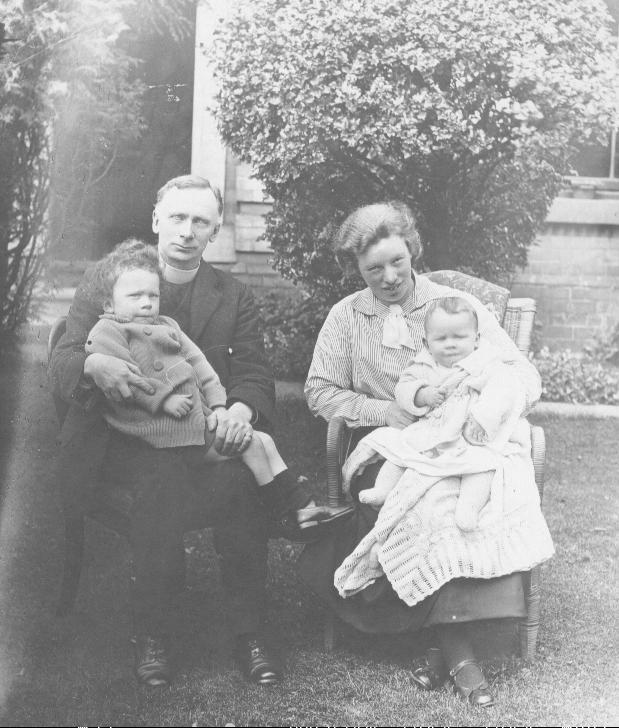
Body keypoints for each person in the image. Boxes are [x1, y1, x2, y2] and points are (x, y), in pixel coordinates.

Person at [48, 174, 345, 689]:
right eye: (178, 218)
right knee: (161, 482)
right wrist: (95, 364)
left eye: (200, 221)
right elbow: (62, 360)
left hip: (201, 430)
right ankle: (154, 631)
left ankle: (249, 632)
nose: (187, 231)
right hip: (124, 440)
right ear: (157, 218)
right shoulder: (110, 279)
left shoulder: (231, 296)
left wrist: (239, 413)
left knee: (240, 485)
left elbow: (254, 375)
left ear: (215, 230)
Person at [300, 201, 554, 709]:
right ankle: (458, 649)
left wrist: (489, 410)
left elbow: (524, 376)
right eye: (374, 269)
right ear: (356, 270)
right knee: (431, 496)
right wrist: (382, 412)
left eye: (398, 261)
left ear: (413, 251)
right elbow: (318, 390)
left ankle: (445, 644)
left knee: (471, 493)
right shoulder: (346, 317)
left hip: (467, 438)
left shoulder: (457, 305)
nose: (390, 277)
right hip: (390, 449)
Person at [85, 237, 350, 534]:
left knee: (263, 439)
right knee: (249, 444)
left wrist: (221, 408)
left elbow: (202, 367)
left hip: (194, 420)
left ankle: (305, 506)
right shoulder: (108, 331)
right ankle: (279, 514)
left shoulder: (168, 326)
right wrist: (163, 400)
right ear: (109, 302)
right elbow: (126, 381)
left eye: (153, 295)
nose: (147, 303)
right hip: (161, 432)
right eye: (135, 296)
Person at [347, 296, 529, 533]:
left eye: (459, 337)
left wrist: (482, 417)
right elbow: (402, 388)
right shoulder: (423, 364)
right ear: (426, 342)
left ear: (476, 339)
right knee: (400, 454)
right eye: (441, 338)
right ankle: (383, 490)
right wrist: (421, 394)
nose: (450, 344)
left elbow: (503, 390)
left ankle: (469, 507)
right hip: (431, 430)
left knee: (482, 467)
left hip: (468, 435)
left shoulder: (487, 364)